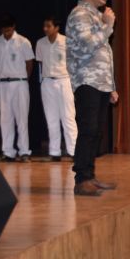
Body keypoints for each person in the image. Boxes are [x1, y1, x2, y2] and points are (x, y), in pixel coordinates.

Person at [67, 0, 119, 196]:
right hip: (87, 81)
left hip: (100, 83)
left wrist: (111, 86)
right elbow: (88, 46)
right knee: (88, 130)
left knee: (96, 132)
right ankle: (81, 179)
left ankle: (90, 176)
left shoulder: (96, 16)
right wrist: (107, 26)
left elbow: (105, 53)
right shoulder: (79, 14)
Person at [0, 15, 35, 162]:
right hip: (3, 83)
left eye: (9, 30)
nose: (6, 33)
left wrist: (24, 79)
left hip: (19, 83)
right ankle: (8, 151)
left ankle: (24, 151)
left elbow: (30, 63)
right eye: (4, 30)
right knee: (5, 118)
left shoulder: (23, 42)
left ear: (14, 27)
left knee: (21, 118)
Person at [36, 16, 78, 161]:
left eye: (48, 26)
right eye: (44, 26)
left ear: (56, 27)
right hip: (47, 82)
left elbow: (74, 63)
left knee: (68, 117)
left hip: (64, 80)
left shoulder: (66, 42)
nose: (45, 29)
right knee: (51, 117)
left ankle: (73, 151)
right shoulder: (40, 43)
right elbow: (40, 63)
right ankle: (54, 152)